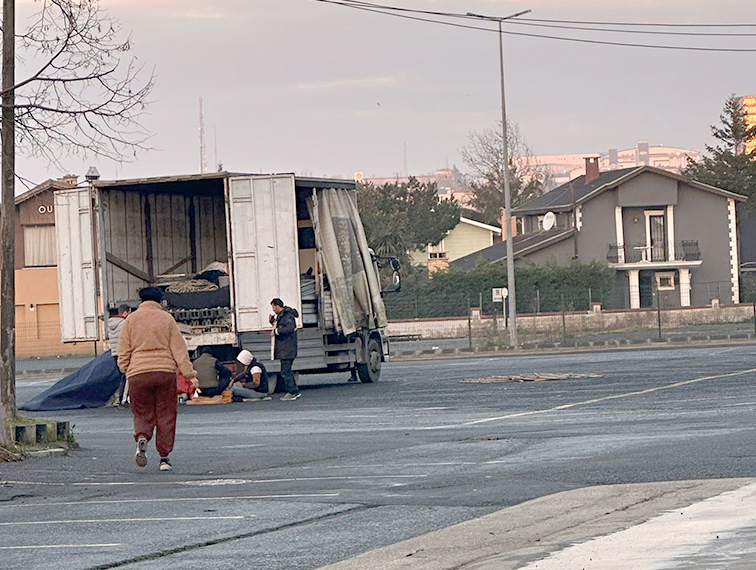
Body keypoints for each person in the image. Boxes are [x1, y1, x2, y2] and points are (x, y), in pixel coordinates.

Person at [117, 287, 198, 472]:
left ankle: (142, 437)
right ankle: (164, 458)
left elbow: (124, 350)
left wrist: (126, 368)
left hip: (138, 374)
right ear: (159, 301)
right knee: (166, 414)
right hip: (164, 372)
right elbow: (180, 350)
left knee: (142, 413)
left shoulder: (131, 320)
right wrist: (190, 375)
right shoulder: (166, 319)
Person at [270, 298, 300, 401]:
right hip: (286, 349)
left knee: (285, 371)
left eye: (273, 307)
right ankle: (294, 390)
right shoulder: (282, 315)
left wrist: (277, 331)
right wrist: (273, 322)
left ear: (277, 306)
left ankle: (292, 391)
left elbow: (289, 328)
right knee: (286, 371)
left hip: (287, 348)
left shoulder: (287, 315)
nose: (273, 310)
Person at [107, 304, 131, 406]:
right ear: (125, 312)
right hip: (123, 352)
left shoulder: (111, 323)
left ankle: (120, 397)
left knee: (121, 375)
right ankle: (123, 399)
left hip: (114, 352)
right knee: (126, 376)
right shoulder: (125, 323)